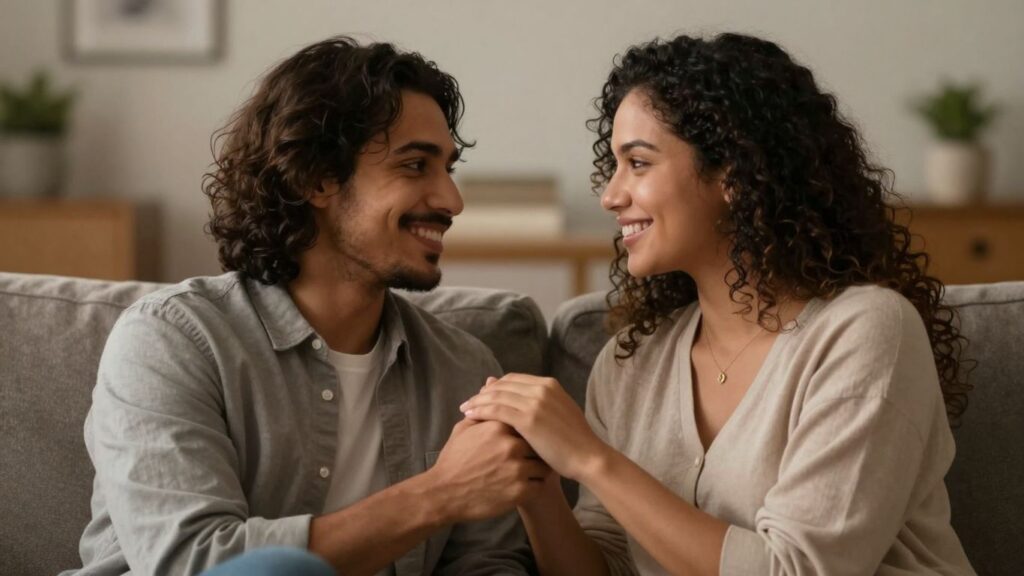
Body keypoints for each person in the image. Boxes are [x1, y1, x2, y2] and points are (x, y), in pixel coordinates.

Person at [460, 33, 976, 575]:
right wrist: (535, 482)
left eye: (637, 163)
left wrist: (590, 459)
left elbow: (796, 569)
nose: (610, 195)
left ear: (732, 173)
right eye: (613, 166)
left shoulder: (867, 331)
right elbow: (609, 566)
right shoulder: (630, 364)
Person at [64, 37, 544, 576]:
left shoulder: (464, 369)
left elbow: (489, 564)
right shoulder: (172, 341)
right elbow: (193, 563)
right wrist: (440, 493)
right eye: (415, 166)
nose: (452, 201)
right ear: (316, 179)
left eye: (448, 170)